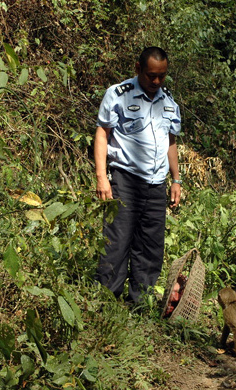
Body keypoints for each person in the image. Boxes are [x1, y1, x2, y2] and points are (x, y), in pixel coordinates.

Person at [94, 47, 182, 302]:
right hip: (125, 178)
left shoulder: (168, 99)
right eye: (150, 75)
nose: (155, 82)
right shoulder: (118, 94)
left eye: (161, 76)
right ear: (138, 69)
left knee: (151, 245)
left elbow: (171, 140)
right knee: (117, 240)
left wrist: (176, 179)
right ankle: (107, 302)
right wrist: (102, 177)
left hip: (156, 183)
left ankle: (140, 303)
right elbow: (102, 133)